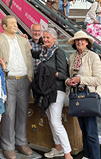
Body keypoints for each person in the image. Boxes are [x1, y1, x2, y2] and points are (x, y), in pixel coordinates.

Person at [0, 16, 34, 159]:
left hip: (24, 80)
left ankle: (21, 142)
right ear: (4, 26)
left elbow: (29, 58)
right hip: (8, 81)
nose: (15, 25)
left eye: (16, 23)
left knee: (23, 113)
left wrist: (30, 76)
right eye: (11, 23)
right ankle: (8, 145)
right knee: (9, 114)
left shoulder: (24, 40)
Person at [65, 31, 101, 159]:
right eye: (77, 40)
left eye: (82, 40)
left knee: (91, 131)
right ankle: (87, 155)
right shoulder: (72, 57)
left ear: (87, 42)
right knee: (83, 130)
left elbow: (99, 79)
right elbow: (70, 75)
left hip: (89, 95)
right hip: (77, 95)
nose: (79, 42)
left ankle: (95, 157)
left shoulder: (93, 56)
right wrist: (68, 81)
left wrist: (80, 79)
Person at [32, 28, 71, 159]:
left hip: (56, 90)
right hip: (46, 91)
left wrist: (48, 73)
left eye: (48, 37)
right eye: (44, 37)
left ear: (55, 39)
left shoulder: (58, 52)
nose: (45, 39)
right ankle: (58, 148)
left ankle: (68, 153)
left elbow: (62, 74)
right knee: (50, 119)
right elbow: (33, 53)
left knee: (55, 121)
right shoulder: (44, 52)